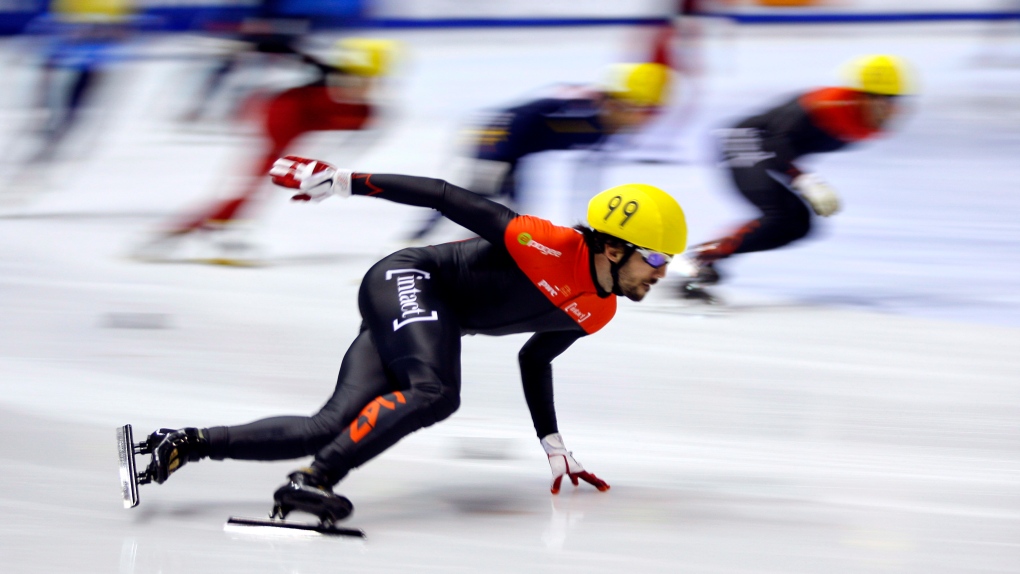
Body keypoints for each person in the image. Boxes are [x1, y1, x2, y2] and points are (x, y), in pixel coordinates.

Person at [135, 155, 687, 523]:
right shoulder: (547, 243)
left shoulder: (598, 312)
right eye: (656, 259)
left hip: (425, 316)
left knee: (326, 426)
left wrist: (553, 443)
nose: (661, 274)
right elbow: (445, 195)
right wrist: (347, 182)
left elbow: (535, 357)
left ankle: (182, 442)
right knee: (436, 391)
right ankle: (312, 481)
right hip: (408, 279)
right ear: (614, 247)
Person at [133, 38, 398, 265]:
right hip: (280, 118)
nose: (364, 87)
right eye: (358, 79)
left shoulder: (362, 107)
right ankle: (187, 230)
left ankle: (208, 229)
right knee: (256, 184)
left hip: (291, 117)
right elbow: (288, 54)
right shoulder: (332, 86)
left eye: (370, 80)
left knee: (259, 184)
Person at [679, 54, 913, 302]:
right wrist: (805, 180)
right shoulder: (827, 104)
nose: (891, 108)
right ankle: (699, 261)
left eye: (896, 100)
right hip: (742, 140)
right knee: (780, 214)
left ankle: (704, 258)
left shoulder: (869, 125)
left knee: (798, 224)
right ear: (862, 95)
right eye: (885, 99)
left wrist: (802, 179)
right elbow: (776, 140)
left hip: (766, 150)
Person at [406, 61, 673, 243]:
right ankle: (418, 238)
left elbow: (587, 179)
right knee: (479, 199)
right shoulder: (585, 110)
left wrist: (589, 230)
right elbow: (521, 117)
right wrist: (495, 162)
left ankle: (462, 245)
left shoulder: (608, 122)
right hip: (499, 136)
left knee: (510, 216)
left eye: (652, 112)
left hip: (517, 148)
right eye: (643, 110)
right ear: (622, 103)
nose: (646, 121)